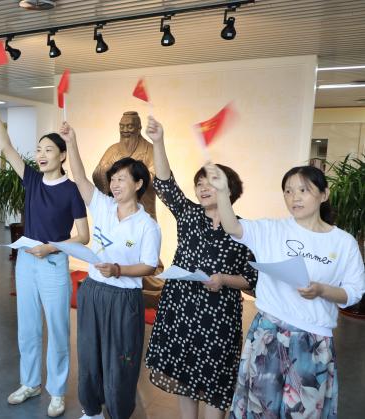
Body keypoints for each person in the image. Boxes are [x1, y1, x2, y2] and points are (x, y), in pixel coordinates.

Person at [206, 163, 365, 419]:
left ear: (324, 194)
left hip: (312, 340)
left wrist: (321, 290)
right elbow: (233, 227)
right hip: (268, 332)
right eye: (288, 191)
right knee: (260, 409)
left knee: (302, 412)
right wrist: (223, 191)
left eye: (303, 190)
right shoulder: (272, 230)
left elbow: (354, 292)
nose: (294, 197)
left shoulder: (343, 243)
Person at [0, 85, 90, 417]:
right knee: (27, 328)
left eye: (48, 149)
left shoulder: (71, 190)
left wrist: (51, 247)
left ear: (62, 156)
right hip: (26, 262)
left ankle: (57, 391)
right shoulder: (31, 179)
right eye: (39, 149)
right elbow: (6, 145)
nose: (41, 154)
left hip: (54, 264)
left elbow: (83, 235)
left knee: (57, 330)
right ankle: (30, 383)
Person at [142, 116, 257, 419]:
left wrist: (223, 279)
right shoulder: (189, 215)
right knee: (185, 378)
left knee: (216, 380)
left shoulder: (244, 230)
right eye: (199, 183)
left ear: (229, 189)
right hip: (181, 308)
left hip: (219, 316)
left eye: (210, 182)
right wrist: (158, 141)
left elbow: (251, 278)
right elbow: (165, 185)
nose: (202, 187)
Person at [61, 121, 161, 419]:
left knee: (121, 359)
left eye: (122, 179)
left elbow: (148, 265)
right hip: (93, 291)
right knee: (89, 354)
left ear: (138, 184)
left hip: (123, 298)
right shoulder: (103, 206)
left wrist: (118, 269)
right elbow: (81, 178)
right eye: (113, 179)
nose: (115, 184)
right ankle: (91, 410)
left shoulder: (147, 225)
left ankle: (118, 412)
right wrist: (71, 141)